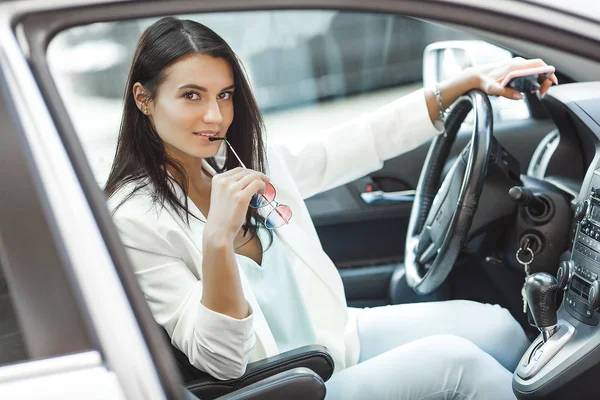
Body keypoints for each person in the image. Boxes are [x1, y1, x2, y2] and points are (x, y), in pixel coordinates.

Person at [106, 17, 557, 399]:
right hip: (286, 382)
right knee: (459, 365)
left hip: (331, 338)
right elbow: (220, 361)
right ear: (144, 99)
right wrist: (217, 240)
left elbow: (358, 142)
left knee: (497, 326)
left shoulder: (236, 161)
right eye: (191, 96)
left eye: (224, 95)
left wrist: (469, 82)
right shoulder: (134, 219)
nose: (215, 116)